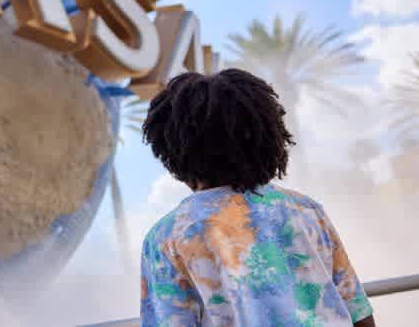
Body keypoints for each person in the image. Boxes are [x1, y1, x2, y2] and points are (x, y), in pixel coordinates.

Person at [139, 69, 376, 326]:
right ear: (266, 137)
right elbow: (359, 314)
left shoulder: (166, 238)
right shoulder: (305, 210)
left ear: (171, 149)